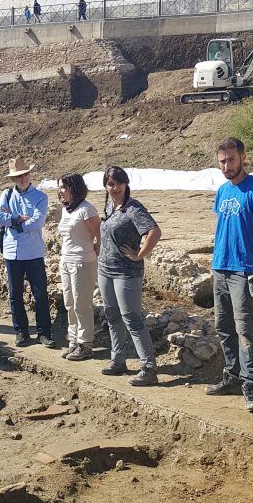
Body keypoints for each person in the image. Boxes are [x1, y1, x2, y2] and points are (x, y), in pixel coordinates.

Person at [206, 138, 253, 413]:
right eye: (222, 161)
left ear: (243, 158)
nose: (226, 166)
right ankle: (232, 376)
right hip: (219, 267)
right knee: (224, 326)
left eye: (231, 160)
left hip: (241, 271)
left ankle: (252, 385)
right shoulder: (222, 191)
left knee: (245, 328)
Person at [98, 165, 162, 386]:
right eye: (110, 184)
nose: (114, 188)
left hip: (126, 272)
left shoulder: (133, 208)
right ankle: (118, 360)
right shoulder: (108, 206)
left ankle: (149, 368)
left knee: (132, 319)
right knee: (113, 316)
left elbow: (154, 231)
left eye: (117, 183)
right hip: (105, 270)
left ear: (125, 184)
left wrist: (139, 255)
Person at [0, 157, 54, 348]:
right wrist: (19, 218)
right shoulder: (6, 195)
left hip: (33, 252)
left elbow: (37, 222)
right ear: (13, 179)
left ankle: (44, 333)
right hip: (12, 252)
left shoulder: (40, 197)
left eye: (25, 174)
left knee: (40, 294)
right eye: (18, 176)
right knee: (15, 294)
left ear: (29, 174)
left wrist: (14, 224)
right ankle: (21, 332)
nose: (22, 179)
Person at [57, 173, 100, 361]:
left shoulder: (87, 210)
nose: (60, 191)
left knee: (82, 304)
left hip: (82, 261)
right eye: (59, 187)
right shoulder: (66, 209)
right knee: (70, 303)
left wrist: (93, 256)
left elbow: (98, 236)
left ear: (74, 189)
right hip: (66, 260)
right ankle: (73, 341)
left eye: (64, 188)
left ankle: (85, 344)